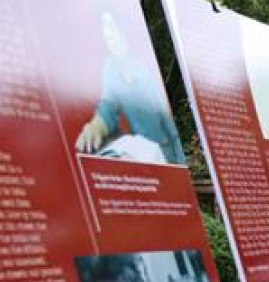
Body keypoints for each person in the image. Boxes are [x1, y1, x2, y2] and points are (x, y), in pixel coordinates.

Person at [75, 9, 186, 165]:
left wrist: (180, 163)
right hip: (140, 155)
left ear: (123, 28)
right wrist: (95, 127)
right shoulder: (111, 66)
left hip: (164, 154)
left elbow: (167, 119)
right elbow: (108, 106)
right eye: (103, 28)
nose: (107, 34)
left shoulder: (145, 64)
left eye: (110, 26)